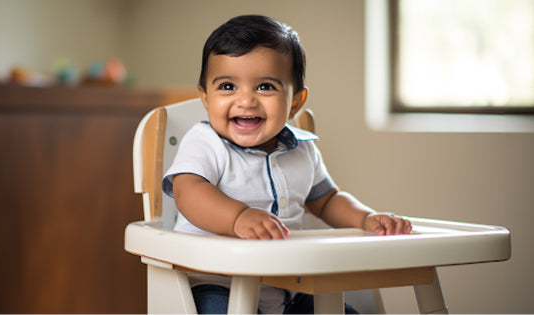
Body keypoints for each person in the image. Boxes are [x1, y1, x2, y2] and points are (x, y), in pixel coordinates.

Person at [163, 15, 413, 314]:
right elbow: (188, 192)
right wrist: (237, 217)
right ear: (205, 96)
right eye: (228, 86)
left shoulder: (303, 149)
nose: (246, 100)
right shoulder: (205, 142)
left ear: (295, 101)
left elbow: (327, 200)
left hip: (288, 288)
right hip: (217, 283)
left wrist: (365, 218)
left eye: (265, 87)